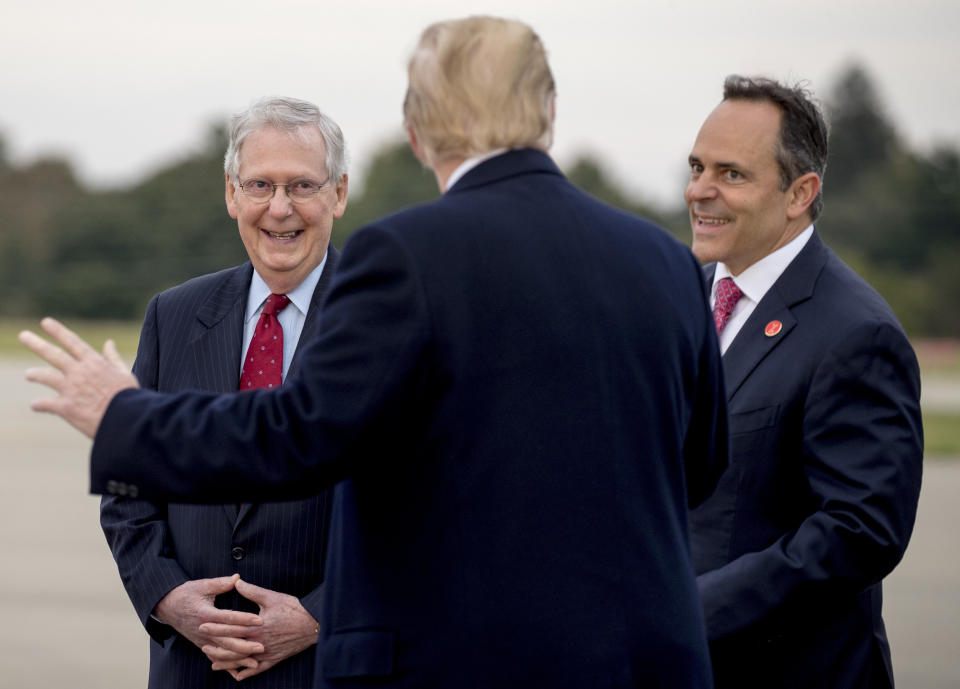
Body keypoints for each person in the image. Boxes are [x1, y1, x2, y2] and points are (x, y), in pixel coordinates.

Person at [21, 16, 727, 688]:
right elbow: (699, 467)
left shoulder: (409, 256)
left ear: (419, 132)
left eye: (301, 185)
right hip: (648, 659)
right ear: (548, 113)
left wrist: (125, 416)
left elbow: (297, 433)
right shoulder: (666, 262)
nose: (280, 205)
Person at [99, 96, 348, 687]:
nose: (279, 208)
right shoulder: (173, 316)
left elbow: (425, 515)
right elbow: (127, 487)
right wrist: (167, 599)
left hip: (328, 667)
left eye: (302, 186)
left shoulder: (391, 322)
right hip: (191, 668)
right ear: (232, 193)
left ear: (337, 194)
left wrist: (318, 616)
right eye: (260, 184)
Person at [685, 75, 923, 688]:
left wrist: (691, 610)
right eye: (697, 167)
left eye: (730, 174)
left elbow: (860, 530)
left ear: (800, 193)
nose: (700, 191)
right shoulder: (682, 294)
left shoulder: (856, 333)